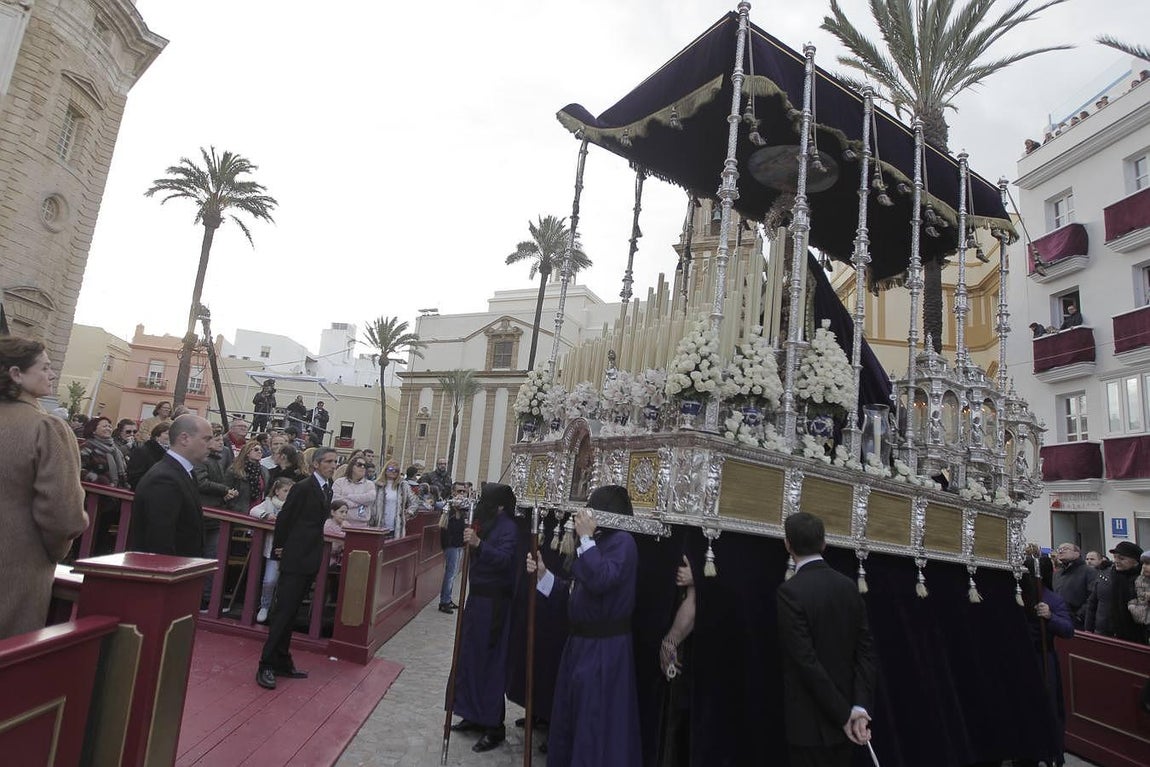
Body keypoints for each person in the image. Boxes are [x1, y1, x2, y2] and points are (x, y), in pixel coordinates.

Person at [523, 485, 643, 767]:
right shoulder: (596, 542)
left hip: (605, 650)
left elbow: (601, 579)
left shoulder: (623, 543)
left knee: (595, 723)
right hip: (579, 646)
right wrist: (543, 576)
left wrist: (586, 539)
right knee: (572, 717)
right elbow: (576, 590)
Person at [0, 336, 88, 640]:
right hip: (16, 570)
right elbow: (64, 516)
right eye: (45, 367)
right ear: (16, 374)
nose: (52, 374)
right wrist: (52, 553)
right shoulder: (46, 428)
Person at [776, 511, 877, 767]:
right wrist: (859, 709)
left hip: (809, 727)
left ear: (787, 544)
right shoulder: (848, 587)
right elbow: (865, 652)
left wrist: (844, 716)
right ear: (824, 543)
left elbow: (805, 661)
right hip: (848, 721)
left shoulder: (790, 592)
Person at [257, 447, 340, 690]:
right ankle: (266, 664)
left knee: (292, 613)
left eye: (335, 462)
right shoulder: (303, 487)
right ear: (316, 464)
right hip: (294, 556)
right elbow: (285, 519)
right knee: (283, 612)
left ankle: (282, 660)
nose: (333, 465)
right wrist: (280, 548)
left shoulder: (327, 488)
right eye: (328, 461)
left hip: (310, 556)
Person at [448, 483, 519, 752]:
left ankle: (493, 724)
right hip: (477, 599)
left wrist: (479, 544)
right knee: (470, 656)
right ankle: (472, 712)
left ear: (499, 505)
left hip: (494, 604)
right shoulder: (486, 521)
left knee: (490, 662)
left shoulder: (509, 527)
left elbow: (505, 559)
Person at [128, 414, 213, 557]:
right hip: (166, 567)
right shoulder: (164, 479)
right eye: (206, 439)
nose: (211, 445)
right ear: (184, 438)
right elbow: (159, 540)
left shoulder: (184, 472)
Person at [250, 476, 294, 624]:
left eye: (291, 491)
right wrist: (266, 515)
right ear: (277, 491)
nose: (288, 494)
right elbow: (253, 510)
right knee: (269, 580)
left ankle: (280, 611)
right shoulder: (269, 503)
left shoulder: (294, 505)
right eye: (285, 490)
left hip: (290, 548)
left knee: (286, 583)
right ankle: (265, 606)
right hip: (273, 547)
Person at [438, 481, 469, 613]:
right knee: (450, 573)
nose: (461, 494)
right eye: (458, 491)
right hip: (451, 544)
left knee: (454, 572)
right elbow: (445, 525)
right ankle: (444, 601)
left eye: (463, 491)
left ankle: (448, 598)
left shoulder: (464, 508)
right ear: (453, 492)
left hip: (459, 543)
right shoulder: (448, 506)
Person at [1107, 541, 1146, 643]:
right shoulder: (1113, 577)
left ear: (1136, 561)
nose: (1116, 561)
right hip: (1115, 634)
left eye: (1121, 558)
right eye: (1115, 557)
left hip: (1141, 636)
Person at [1052, 542, 1094, 627]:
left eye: (1065, 549)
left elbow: (1092, 597)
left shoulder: (1089, 571)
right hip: (1058, 619)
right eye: (1059, 549)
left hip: (1078, 622)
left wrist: (1079, 616)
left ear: (1077, 553)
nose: (1061, 551)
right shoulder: (1057, 574)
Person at [80, 416, 128, 488]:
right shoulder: (87, 447)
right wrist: (99, 480)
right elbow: (79, 469)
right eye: (105, 426)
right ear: (93, 430)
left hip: (115, 490)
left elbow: (123, 472)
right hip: (95, 490)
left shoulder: (115, 450)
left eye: (110, 427)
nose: (108, 429)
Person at [226, 440, 269, 512]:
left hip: (257, 511)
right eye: (256, 450)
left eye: (261, 450)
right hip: (238, 510)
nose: (259, 452)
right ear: (247, 452)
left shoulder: (264, 471)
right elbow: (226, 489)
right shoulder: (234, 470)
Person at [374, 459, 415, 536]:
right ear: (385, 470)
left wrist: (408, 513)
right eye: (390, 469)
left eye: (396, 470)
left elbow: (414, 502)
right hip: (377, 526)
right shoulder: (376, 485)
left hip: (395, 528)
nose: (393, 471)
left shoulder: (403, 486)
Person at [332, 453, 376, 524]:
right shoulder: (339, 482)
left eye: (365, 466)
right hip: (341, 523)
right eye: (359, 465)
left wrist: (349, 497)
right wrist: (360, 503)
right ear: (351, 466)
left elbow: (370, 498)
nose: (362, 467)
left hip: (362, 524)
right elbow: (336, 502)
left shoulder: (369, 484)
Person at [127, 422, 170, 488]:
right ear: (157, 436)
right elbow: (134, 477)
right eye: (167, 433)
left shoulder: (170, 454)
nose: (170, 436)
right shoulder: (142, 451)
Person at [1126, 552, 1150, 635]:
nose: (1144, 566)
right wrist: (1132, 607)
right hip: (1143, 625)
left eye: (1148, 564)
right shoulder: (1139, 580)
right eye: (1143, 563)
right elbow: (1135, 597)